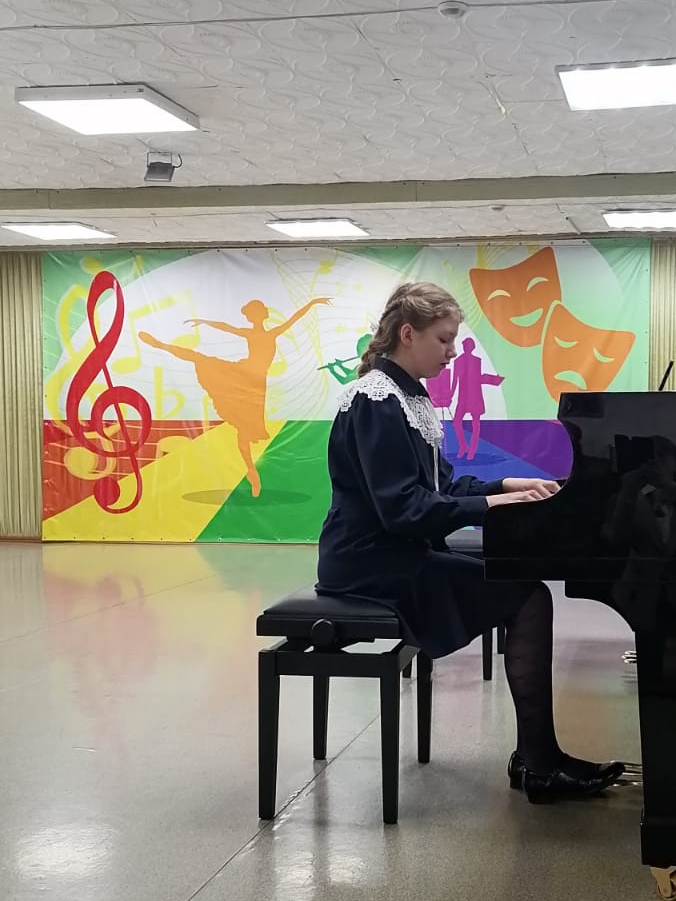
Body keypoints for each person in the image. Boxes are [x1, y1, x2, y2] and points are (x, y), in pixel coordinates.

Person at [316, 281, 623, 803]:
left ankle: (536, 756)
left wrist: (505, 486)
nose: (453, 352)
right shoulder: (376, 401)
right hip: (367, 561)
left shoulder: (406, 396)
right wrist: (490, 507)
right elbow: (403, 511)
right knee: (528, 596)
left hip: (392, 551)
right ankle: (539, 763)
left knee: (520, 583)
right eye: (444, 339)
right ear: (407, 334)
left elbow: (440, 488)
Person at [141, 296, 329, 497]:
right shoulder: (257, 333)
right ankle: (160, 345)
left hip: (254, 384)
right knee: (200, 359)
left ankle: (251, 470)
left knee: (246, 428)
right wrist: (205, 322)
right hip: (243, 375)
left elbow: (294, 317)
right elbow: (226, 327)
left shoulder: (269, 333)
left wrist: (313, 302)